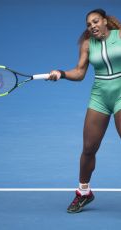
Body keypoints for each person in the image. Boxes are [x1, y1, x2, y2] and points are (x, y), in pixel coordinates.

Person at [49, 8, 121, 213]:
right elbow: (80, 72)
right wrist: (61, 73)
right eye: (89, 25)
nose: (92, 26)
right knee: (89, 148)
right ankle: (84, 192)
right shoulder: (88, 44)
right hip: (100, 97)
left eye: (96, 21)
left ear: (105, 21)